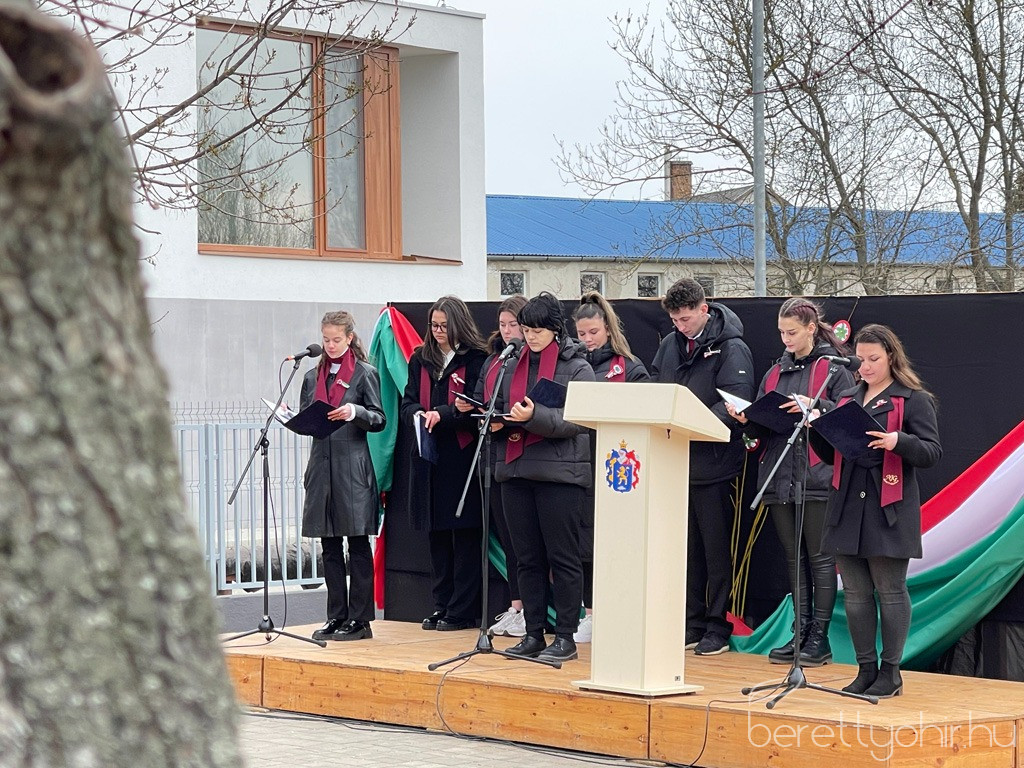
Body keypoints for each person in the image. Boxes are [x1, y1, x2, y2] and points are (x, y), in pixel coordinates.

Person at [809, 324, 940, 698]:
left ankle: (890, 672)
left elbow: (931, 452)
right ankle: (865, 669)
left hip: (888, 507)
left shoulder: (913, 399)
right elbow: (830, 454)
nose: (865, 367)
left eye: (873, 359)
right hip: (847, 505)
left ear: (891, 357)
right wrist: (816, 426)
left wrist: (898, 441)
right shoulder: (847, 398)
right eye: (860, 359)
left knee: (890, 590)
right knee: (854, 593)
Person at [726, 298, 854, 666]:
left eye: (792, 332)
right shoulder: (773, 373)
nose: (786, 339)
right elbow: (762, 430)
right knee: (793, 560)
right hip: (779, 475)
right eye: (782, 332)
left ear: (811, 328)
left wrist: (816, 407)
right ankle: (800, 633)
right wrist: (747, 419)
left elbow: (849, 416)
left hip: (817, 474)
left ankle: (819, 637)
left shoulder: (833, 368)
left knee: (821, 560)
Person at [650, 278, 755, 656]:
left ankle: (718, 624)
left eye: (686, 318)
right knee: (686, 551)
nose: (681, 326)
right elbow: (657, 389)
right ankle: (691, 622)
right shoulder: (669, 345)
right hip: (676, 463)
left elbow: (736, 401)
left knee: (716, 552)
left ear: (704, 309)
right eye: (675, 320)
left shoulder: (732, 347)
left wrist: (689, 423)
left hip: (716, 465)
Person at [494, 292, 596, 662]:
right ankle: (533, 633)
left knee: (563, 558)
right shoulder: (510, 364)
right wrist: (495, 421)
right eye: (526, 329)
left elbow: (580, 419)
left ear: (555, 328)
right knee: (526, 558)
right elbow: (500, 406)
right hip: (516, 469)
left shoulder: (578, 367)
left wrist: (533, 417)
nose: (530, 336)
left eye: (537, 330)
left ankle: (565, 637)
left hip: (559, 475)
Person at [401, 296, 489, 632]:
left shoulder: (476, 359)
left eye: (444, 326)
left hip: (461, 456)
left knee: (464, 536)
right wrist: (418, 414)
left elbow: (477, 407)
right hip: (428, 455)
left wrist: (444, 414)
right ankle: (441, 605)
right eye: (434, 325)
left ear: (458, 325)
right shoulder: (420, 358)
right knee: (436, 536)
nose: (438, 332)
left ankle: (462, 610)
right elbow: (408, 402)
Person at [572, 292, 650, 643]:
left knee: (620, 546)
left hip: (620, 472)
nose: (588, 340)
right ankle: (591, 613)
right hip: (580, 466)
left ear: (608, 328)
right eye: (582, 334)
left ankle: (623, 612)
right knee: (586, 548)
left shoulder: (629, 367)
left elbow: (647, 409)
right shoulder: (573, 365)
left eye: (594, 332)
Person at [303, 311, 386, 642]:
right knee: (329, 545)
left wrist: (356, 411)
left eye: (337, 339)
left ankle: (360, 619)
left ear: (350, 338)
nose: (330, 345)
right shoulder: (312, 376)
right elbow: (307, 417)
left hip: (352, 468)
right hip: (322, 468)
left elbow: (379, 418)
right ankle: (336, 615)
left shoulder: (365, 373)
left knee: (358, 543)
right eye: (326, 339)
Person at [455, 295, 529, 638]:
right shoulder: (494, 359)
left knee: (524, 540)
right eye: (502, 324)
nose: (508, 330)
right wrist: (469, 406)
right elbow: (483, 397)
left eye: (514, 324)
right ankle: (516, 605)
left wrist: (505, 419)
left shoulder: (529, 359)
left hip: (520, 454)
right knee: (507, 537)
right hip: (491, 454)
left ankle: (532, 609)